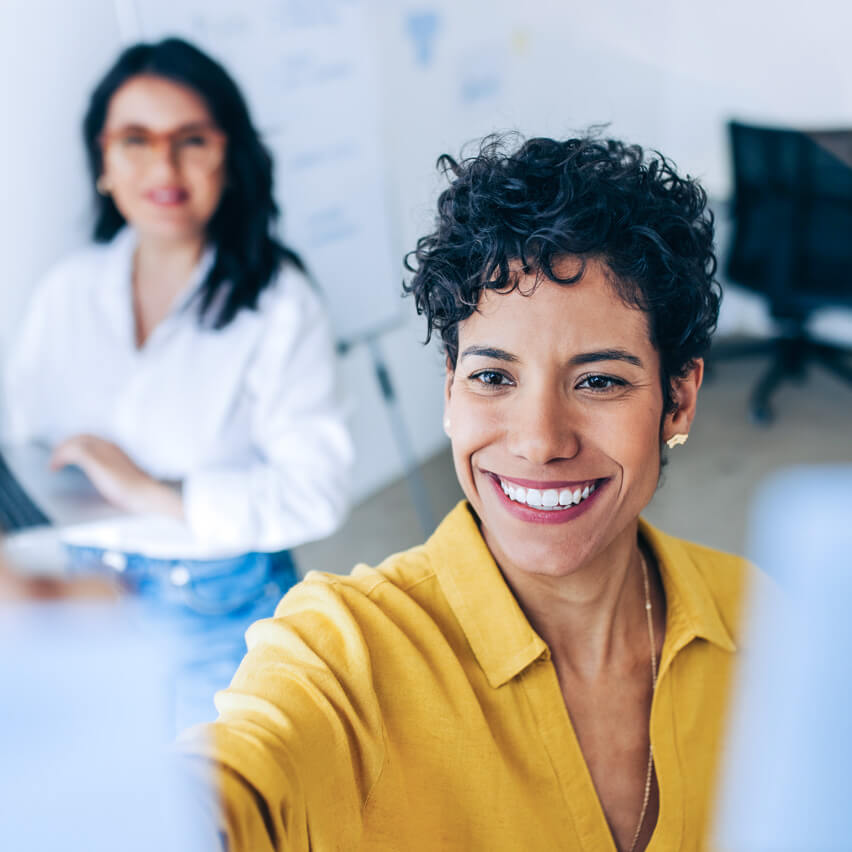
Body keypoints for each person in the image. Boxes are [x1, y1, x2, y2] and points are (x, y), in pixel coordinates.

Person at [177, 134, 760, 851]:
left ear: (679, 399)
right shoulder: (342, 652)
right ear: (451, 391)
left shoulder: (763, 621)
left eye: (599, 380)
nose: (539, 441)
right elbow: (223, 782)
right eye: (493, 377)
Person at [2, 38, 352, 727]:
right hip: (85, 603)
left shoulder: (280, 302)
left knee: (220, 794)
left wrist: (154, 495)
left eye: (191, 140)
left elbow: (316, 494)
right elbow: (28, 456)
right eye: (135, 140)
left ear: (229, 155)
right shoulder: (66, 291)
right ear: (103, 160)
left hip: (218, 607)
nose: (163, 167)